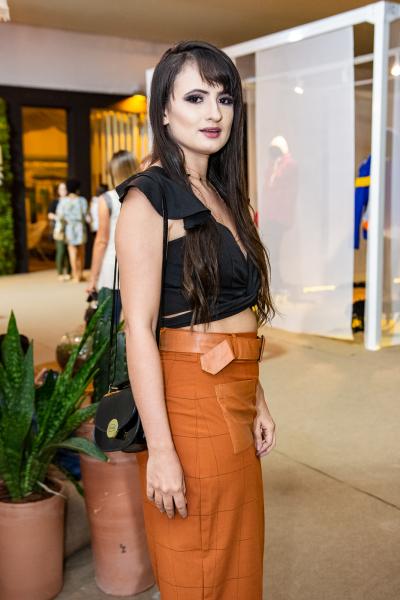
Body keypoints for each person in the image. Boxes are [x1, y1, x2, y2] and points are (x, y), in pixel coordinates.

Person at [115, 41, 277, 599]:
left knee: (237, 556)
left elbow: (229, 307)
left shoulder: (224, 194)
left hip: (236, 390)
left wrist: (257, 398)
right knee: (201, 563)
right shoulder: (149, 198)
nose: (214, 113)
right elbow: (138, 330)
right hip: (188, 400)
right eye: (195, 97)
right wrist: (161, 452)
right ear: (163, 110)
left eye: (224, 99)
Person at [86, 153, 137, 293]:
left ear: (113, 172)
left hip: (113, 267)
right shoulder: (146, 195)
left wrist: (93, 278)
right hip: (141, 266)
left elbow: (101, 241)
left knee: (110, 307)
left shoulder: (107, 199)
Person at [56, 178, 88, 283]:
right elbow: (85, 215)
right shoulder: (82, 200)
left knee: (72, 252)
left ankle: (75, 275)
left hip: (69, 227)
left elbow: (60, 216)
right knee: (81, 252)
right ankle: (80, 274)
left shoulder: (63, 201)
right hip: (80, 227)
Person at [48, 181, 71, 281]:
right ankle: (60, 272)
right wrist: (59, 218)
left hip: (70, 229)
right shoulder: (55, 202)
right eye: (61, 189)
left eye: (64, 189)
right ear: (58, 191)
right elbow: (50, 215)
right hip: (59, 229)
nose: (63, 191)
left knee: (69, 251)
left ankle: (69, 272)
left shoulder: (71, 201)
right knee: (61, 251)